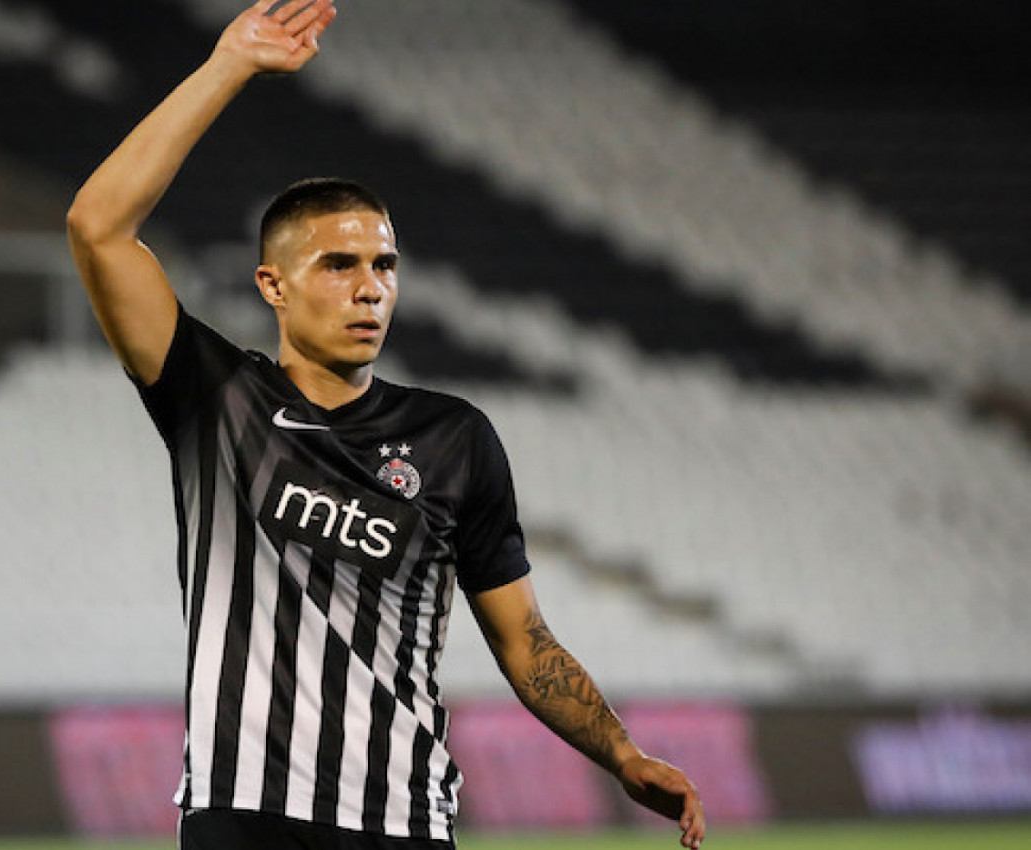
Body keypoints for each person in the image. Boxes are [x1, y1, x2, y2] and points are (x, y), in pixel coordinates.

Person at [66, 2, 706, 848]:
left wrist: (620, 754)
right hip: (242, 814)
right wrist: (228, 66)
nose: (370, 287)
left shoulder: (455, 437)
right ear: (272, 285)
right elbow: (97, 228)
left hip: (401, 819)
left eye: (384, 265)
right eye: (339, 264)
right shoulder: (215, 397)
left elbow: (523, 643)